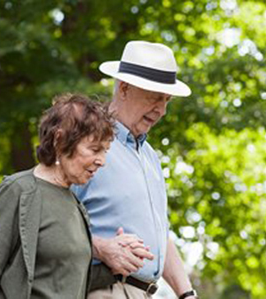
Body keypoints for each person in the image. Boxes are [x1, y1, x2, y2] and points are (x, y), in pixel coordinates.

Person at [72, 41, 198, 299]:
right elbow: (47, 221)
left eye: (167, 100)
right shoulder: (85, 145)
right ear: (125, 88)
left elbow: (161, 235)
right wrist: (100, 248)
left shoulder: (150, 158)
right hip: (102, 289)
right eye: (154, 98)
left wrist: (186, 294)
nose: (162, 110)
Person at [0, 94, 118, 299]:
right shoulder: (19, 190)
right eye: (94, 149)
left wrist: (119, 261)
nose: (102, 161)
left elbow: (69, 281)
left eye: (105, 151)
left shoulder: (76, 205)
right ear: (59, 139)